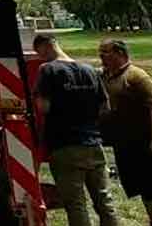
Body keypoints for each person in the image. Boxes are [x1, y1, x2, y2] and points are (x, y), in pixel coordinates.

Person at [33, 34, 119, 226]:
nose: (42, 58)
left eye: (41, 53)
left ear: (47, 46)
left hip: (64, 145)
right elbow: (105, 107)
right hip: (93, 144)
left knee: (76, 204)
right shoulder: (89, 70)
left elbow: (43, 107)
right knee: (105, 200)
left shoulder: (47, 70)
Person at [99, 40, 152, 226]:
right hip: (126, 145)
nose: (101, 57)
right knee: (145, 188)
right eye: (100, 53)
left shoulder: (136, 76)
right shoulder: (106, 77)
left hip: (149, 144)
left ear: (120, 52)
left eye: (105, 52)